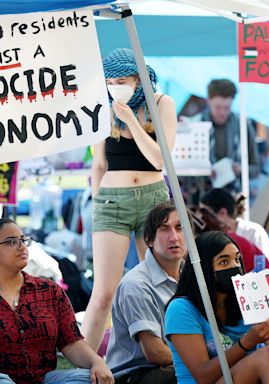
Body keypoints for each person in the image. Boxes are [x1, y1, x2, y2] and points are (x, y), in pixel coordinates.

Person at [82, 47, 178, 352]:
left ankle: (169, 350)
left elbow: (160, 160)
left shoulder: (161, 103)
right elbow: (98, 164)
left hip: (153, 199)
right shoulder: (102, 105)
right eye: (110, 82)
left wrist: (132, 122)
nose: (115, 87)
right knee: (103, 293)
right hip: (112, 201)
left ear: (138, 79)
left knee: (159, 283)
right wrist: (99, 203)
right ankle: (85, 361)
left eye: (122, 80)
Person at [165, 231, 269, 383]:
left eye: (237, 259)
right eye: (224, 262)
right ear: (204, 269)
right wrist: (246, 343)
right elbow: (203, 376)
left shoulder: (248, 296)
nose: (235, 267)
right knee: (267, 355)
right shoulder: (181, 308)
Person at [0, 218, 113, 384]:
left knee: (90, 378)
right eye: (11, 241)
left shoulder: (49, 290)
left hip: (44, 379)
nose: (22, 246)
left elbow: (71, 342)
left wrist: (97, 362)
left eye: (24, 240)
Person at [106, 202, 188, 383]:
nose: (174, 237)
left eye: (180, 228)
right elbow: (155, 353)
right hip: (137, 375)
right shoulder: (136, 285)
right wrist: (203, 360)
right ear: (149, 240)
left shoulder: (193, 276)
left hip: (175, 365)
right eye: (164, 229)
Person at [194, 79, 260, 192]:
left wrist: (241, 169)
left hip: (236, 197)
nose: (222, 113)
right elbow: (183, 171)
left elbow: (255, 168)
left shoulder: (243, 125)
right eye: (218, 107)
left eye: (227, 107)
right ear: (208, 101)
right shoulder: (195, 125)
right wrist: (203, 172)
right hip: (201, 197)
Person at [200, 188, 269, 270]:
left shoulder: (253, 231)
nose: (203, 218)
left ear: (223, 212)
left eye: (205, 213)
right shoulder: (213, 238)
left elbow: (268, 270)